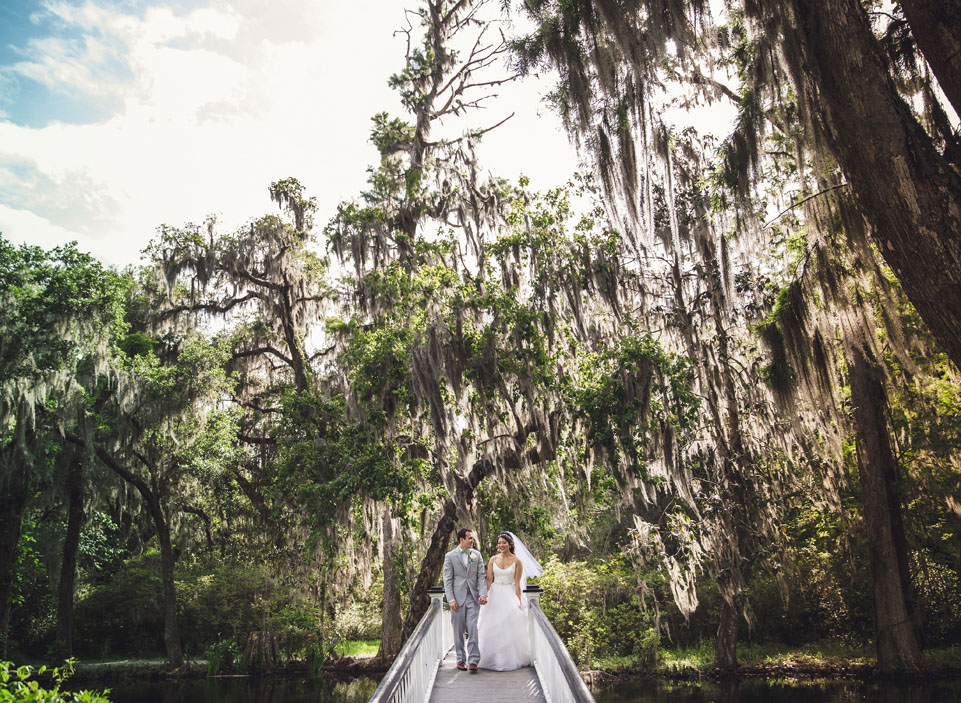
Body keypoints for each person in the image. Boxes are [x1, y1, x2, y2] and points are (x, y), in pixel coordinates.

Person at [477, 531, 543, 671]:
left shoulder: (517, 561)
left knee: (507, 626)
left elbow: (517, 584)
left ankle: (505, 660)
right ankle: (490, 658)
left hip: (509, 594)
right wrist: (484, 595)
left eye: (504, 543)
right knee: (491, 626)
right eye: (499, 543)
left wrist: (520, 601)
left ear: (510, 544)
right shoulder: (493, 559)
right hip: (494, 594)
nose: (501, 545)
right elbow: (489, 579)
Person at [442, 527, 488, 673]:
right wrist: (450, 599)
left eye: (473, 538)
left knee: (473, 628)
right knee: (458, 631)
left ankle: (473, 660)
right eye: (470, 538)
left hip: (473, 598)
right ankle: (460, 659)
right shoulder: (450, 556)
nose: (472, 541)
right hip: (457, 599)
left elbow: (481, 576)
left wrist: (483, 594)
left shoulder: (476, 555)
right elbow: (447, 580)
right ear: (462, 540)